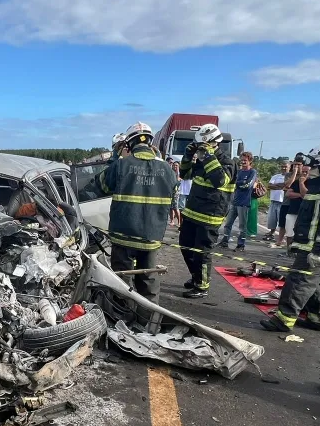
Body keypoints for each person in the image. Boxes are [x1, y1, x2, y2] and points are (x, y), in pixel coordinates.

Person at [260, 144, 320, 333]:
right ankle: (319, 318)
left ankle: (283, 320)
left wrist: (319, 250)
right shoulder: (317, 185)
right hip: (309, 242)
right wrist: (297, 242)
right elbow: (307, 217)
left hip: (318, 245)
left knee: (299, 281)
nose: (309, 168)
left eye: (313, 165)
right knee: (317, 280)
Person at [92, 122, 174, 303]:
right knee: (148, 281)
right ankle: (149, 323)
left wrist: (115, 158)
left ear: (128, 144)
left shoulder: (121, 165)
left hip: (124, 237)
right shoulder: (167, 170)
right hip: (151, 237)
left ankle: (122, 319)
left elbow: (101, 186)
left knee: (121, 281)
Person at [179, 124, 238, 298]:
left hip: (210, 215)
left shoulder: (228, 162)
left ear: (214, 143)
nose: (200, 149)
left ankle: (202, 286)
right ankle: (196, 276)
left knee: (202, 253)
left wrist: (209, 157)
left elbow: (219, 180)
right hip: (192, 212)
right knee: (185, 246)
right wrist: (188, 156)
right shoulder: (202, 160)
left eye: (202, 145)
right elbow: (185, 174)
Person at [219, 151, 256, 251]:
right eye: (242, 160)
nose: (243, 162)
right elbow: (232, 183)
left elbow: (247, 186)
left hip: (244, 203)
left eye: (245, 160)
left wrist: (238, 184)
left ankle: (241, 245)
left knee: (242, 226)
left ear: (250, 161)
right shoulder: (239, 172)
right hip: (234, 202)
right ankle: (224, 241)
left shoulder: (252, 172)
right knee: (228, 224)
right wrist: (240, 183)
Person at [283, 163, 309, 254]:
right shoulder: (296, 182)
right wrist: (300, 195)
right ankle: (289, 251)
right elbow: (288, 194)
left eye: (307, 172)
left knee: (302, 234)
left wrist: (302, 184)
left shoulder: (313, 183)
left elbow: (306, 194)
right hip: (293, 210)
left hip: (306, 213)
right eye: (304, 172)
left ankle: (299, 253)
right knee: (289, 232)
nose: (304, 174)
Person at [264, 161, 289, 241]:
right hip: (273, 201)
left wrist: (277, 185)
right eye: (282, 166)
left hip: (283, 202)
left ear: (289, 167)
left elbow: (286, 185)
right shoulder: (275, 176)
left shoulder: (290, 177)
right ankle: (271, 233)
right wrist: (281, 186)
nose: (283, 168)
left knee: (281, 220)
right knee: (272, 219)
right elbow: (269, 186)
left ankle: (282, 237)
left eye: (285, 166)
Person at [169, 160, 181, 226]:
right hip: (171, 191)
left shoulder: (179, 174)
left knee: (176, 207)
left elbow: (178, 180)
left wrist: (177, 172)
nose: (175, 166)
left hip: (176, 192)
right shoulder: (171, 173)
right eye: (174, 165)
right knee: (171, 207)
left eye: (176, 165)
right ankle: (172, 220)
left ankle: (179, 222)